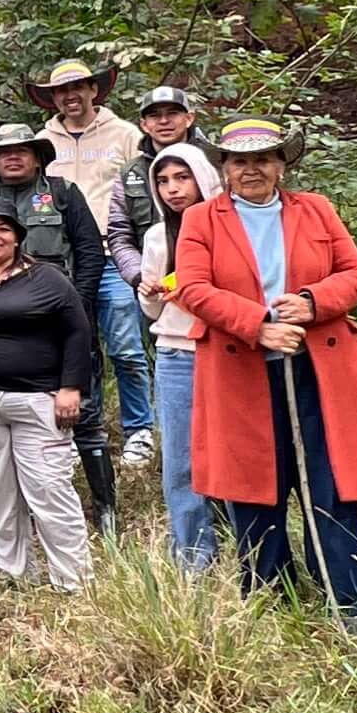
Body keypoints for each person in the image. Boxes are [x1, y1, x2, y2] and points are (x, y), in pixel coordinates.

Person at [174, 120, 357, 631]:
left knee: (330, 480)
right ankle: (272, 597)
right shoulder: (202, 219)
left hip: (320, 368)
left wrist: (312, 302)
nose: (251, 169)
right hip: (241, 370)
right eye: (239, 161)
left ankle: (349, 599)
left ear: (281, 164)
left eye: (263, 159)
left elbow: (355, 273)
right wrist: (258, 325)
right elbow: (193, 287)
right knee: (252, 482)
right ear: (225, 169)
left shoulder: (315, 209)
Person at [0, 126, 117, 538]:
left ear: (38, 157)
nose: (13, 157)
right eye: (4, 152)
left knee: (85, 414)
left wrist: (78, 308)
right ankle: (30, 513)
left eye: (22, 150)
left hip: (62, 323)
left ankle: (105, 508)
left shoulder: (62, 193)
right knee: (19, 421)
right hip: (2, 331)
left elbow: (89, 253)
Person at [0, 196, 95, 594]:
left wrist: (71, 387)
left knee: (49, 490)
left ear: (17, 237)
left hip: (37, 400)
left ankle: (73, 582)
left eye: (3, 229)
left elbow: (77, 331)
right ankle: (16, 576)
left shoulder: (46, 278)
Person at [29, 54, 156, 469]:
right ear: (52, 98)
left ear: (93, 90)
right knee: (74, 347)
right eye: (61, 91)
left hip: (112, 252)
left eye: (77, 87)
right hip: (62, 260)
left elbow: (144, 186)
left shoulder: (125, 134)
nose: (70, 96)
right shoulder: (43, 140)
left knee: (125, 347)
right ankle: (87, 426)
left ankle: (139, 429)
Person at [136, 141, 221, 573]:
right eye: (163, 181)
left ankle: (246, 540)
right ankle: (193, 554)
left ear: (203, 177)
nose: (172, 189)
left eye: (182, 177)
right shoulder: (157, 236)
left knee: (231, 452)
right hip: (176, 352)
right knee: (181, 459)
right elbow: (153, 311)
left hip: (226, 350)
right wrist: (150, 292)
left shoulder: (230, 227)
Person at [107, 86, 210, 280]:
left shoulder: (212, 163)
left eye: (172, 113)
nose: (164, 121)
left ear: (189, 118)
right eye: (154, 116)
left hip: (210, 274)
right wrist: (140, 275)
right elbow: (119, 233)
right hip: (152, 279)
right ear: (144, 125)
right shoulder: (130, 172)